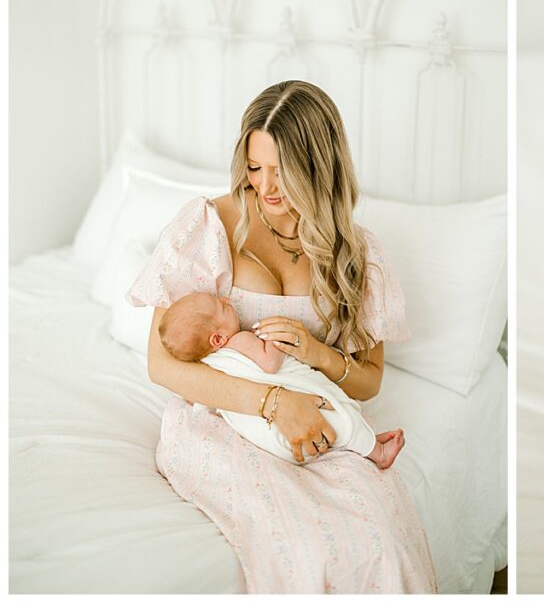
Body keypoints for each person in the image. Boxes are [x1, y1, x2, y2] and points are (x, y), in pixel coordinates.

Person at [130, 80, 437, 593]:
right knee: (298, 545)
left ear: (320, 167)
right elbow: (162, 365)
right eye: (255, 168)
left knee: (381, 541)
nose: (266, 187)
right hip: (224, 419)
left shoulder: (355, 253)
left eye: (283, 171)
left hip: (323, 422)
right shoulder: (208, 224)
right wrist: (273, 401)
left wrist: (317, 353)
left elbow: (369, 382)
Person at [158, 292, 405, 469]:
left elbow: (206, 402)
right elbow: (270, 364)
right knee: (341, 418)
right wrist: (273, 338)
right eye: (221, 307)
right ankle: (376, 451)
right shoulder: (241, 340)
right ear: (218, 339)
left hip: (276, 442)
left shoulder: (210, 364)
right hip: (292, 415)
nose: (225, 301)